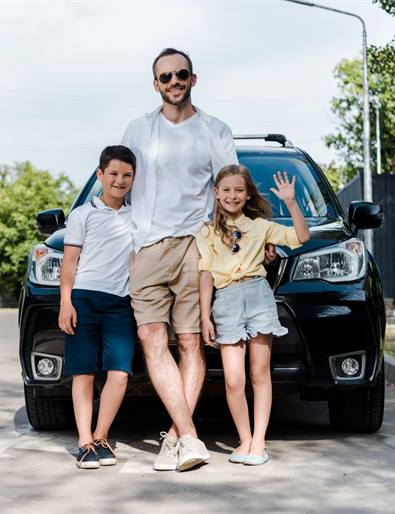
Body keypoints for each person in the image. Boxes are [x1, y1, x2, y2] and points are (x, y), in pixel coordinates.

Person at [121, 48, 245, 471]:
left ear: (193, 79)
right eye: (165, 77)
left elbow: (232, 191)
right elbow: (120, 184)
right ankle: (189, 437)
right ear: (155, 84)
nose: (173, 82)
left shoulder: (214, 130)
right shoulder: (137, 129)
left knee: (190, 341)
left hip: (196, 246)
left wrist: (245, 239)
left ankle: (177, 438)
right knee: (151, 339)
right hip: (148, 248)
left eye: (181, 74)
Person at [196, 165, 310, 466]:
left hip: (258, 295)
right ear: (216, 194)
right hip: (226, 302)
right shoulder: (206, 232)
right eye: (226, 190)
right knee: (234, 380)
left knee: (260, 374)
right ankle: (244, 439)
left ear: (247, 196)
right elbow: (206, 273)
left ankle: (259, 442)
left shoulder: (260, 226)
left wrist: (291, 201)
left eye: (238, 190)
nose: (232, 195)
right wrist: (204, 315)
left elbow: (301, 236)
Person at [58, 145, 137, 469]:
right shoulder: (83, 215)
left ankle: (101, 438)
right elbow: (70, 263)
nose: (120, 181)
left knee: (119, 374)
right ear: (100, 175)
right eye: (114, 174)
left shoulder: (137, 216)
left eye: (127, 175)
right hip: (85, 299)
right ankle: (84, 442)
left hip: (121, 302)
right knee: (84, 372)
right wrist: (66, 302)